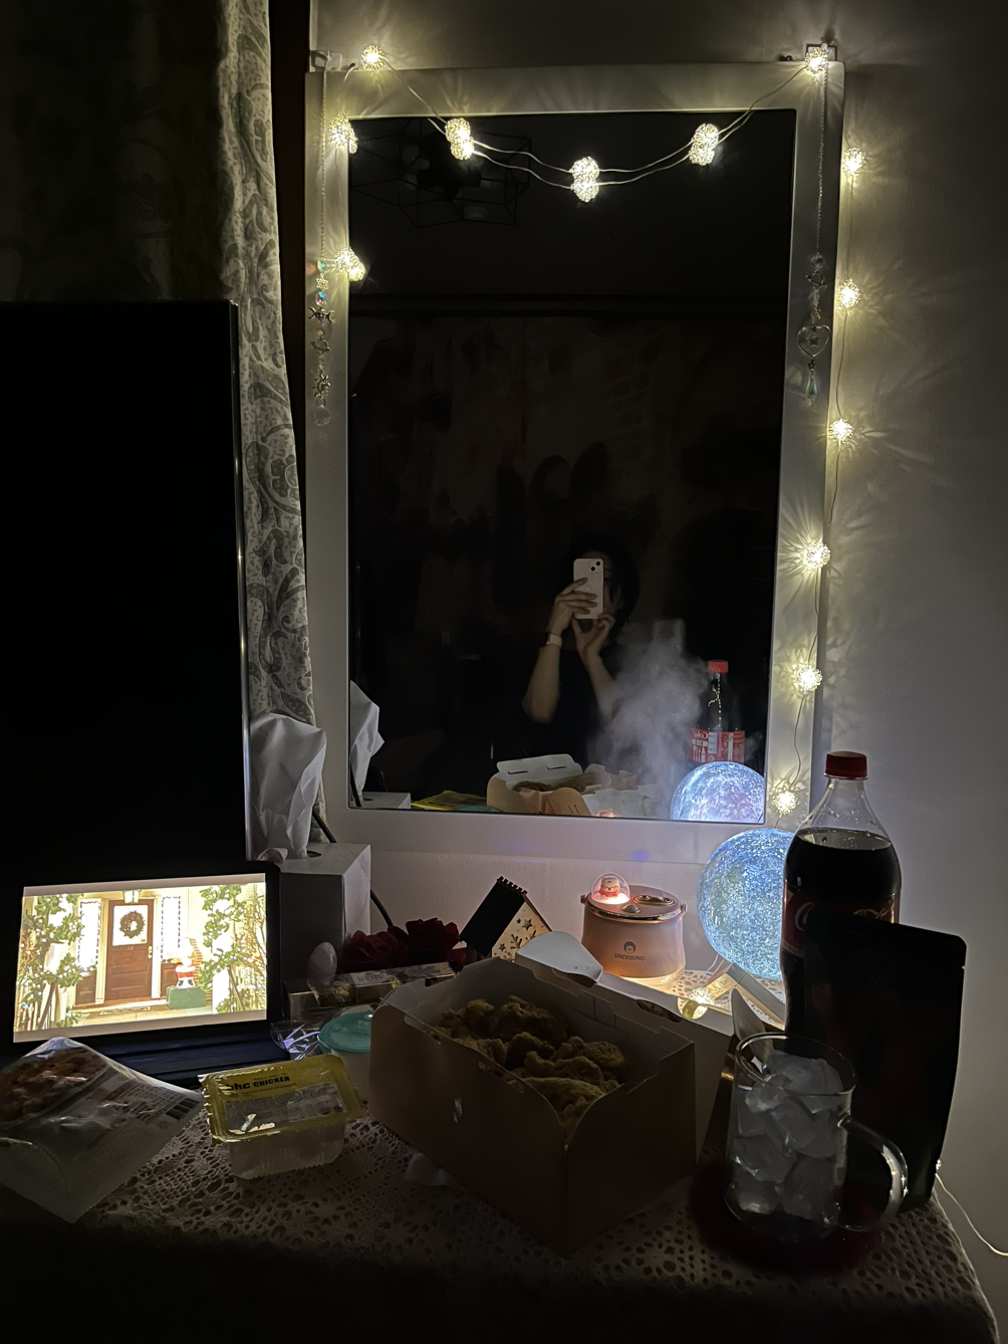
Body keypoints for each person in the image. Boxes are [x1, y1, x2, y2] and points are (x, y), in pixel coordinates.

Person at [519, 537, 640, 767]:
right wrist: (554, 631)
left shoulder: (633, 662)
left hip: (609, 783)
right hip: (550, 782)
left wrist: (592, 659)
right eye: (580, 578)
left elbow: (629, 732)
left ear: (622, 597)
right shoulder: (546, 656)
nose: (590, 589)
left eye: (604, 580)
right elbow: (539, 712)